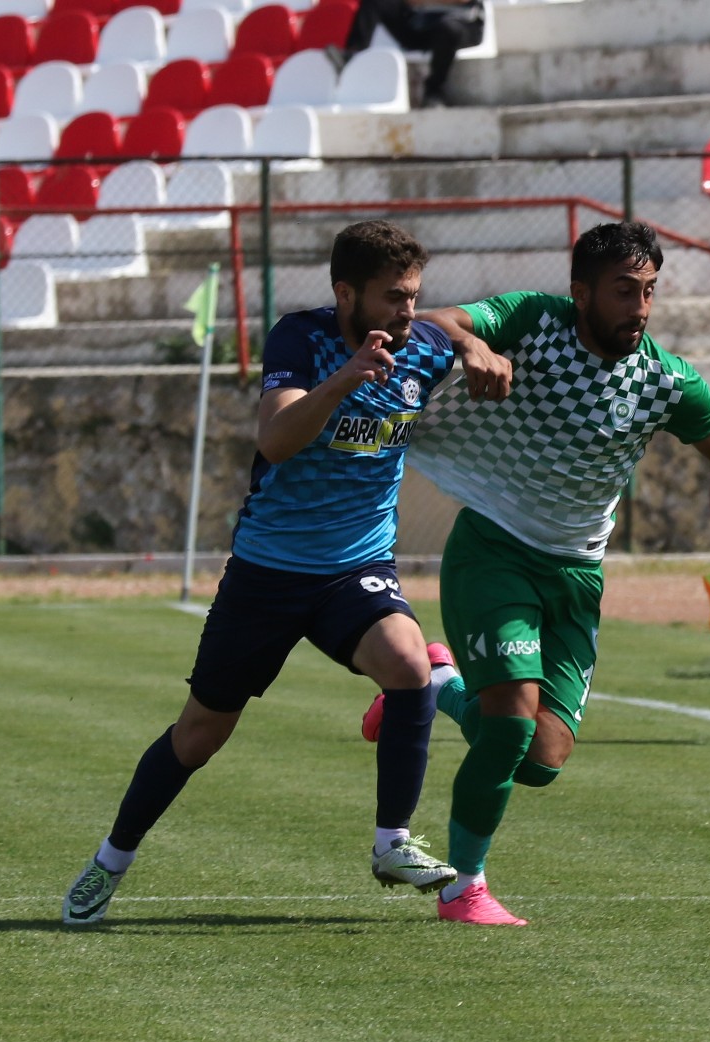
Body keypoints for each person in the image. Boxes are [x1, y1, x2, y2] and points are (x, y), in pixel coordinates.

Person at [369, 219, 710, 926]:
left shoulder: (663, 378)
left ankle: (434, 685)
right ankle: (463, 887)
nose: (640, 306)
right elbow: (438, 321)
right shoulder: (535, 320)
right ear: (581, 292)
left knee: (541, 757)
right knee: (510, 726)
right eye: (624, 290)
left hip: (575, 575)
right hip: (494, 548)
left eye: (649, 290)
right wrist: (473, 346)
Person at [62, 220, 459, 927]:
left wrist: (478, 347)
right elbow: (275, 440)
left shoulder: (424, 346)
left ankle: (391, 843)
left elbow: (463, 324)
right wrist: (343, 379)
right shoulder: (299, 338)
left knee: (409, 665)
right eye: (393, 297)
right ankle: (110, 861)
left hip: (355, 567)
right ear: (346, 294)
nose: (407, 311)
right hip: (268, 572)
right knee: (199, 735)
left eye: (413, 296)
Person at [331, 0, 484, 109]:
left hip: (462, 25)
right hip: (422, 25)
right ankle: (353, 54)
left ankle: (434, 91)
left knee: (448, 30)